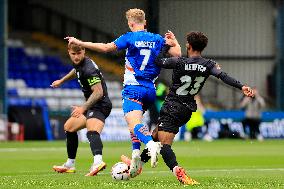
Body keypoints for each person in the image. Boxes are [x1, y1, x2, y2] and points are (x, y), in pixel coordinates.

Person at [122, 31, 254, 185]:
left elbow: (158, 61)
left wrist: (165, 46)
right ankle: (137, 165)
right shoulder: (208, 64)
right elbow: (223, 76)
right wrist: (241, 86)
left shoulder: (179, 62)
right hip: (187, 109)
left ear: (189, 46)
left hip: (172, 106)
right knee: (155, 135)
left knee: (164, 145)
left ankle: (177, 170)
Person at [64, 8, 181, 177]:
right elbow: (177, 54)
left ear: (130, 23)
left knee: (134, 123)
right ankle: (135, 155)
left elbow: (105, 48)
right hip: (150, 90)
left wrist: (80, 43)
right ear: (145, 23)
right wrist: (175, 41)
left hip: (133, 88)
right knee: (134, 122)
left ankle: (150, 144)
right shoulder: (157, 39)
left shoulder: (129, 37)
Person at [51, 43, 112, 176]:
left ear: (84, 50)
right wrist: (61, 81)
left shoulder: (89, 69)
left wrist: (82, 108)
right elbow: (76, 71)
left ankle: (98, 162)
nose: (76, 57)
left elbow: (98, 92)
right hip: (91, 105)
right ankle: (70, 164)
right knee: (69, 127)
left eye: (79, 54)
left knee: (92, 131)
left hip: (101, 104)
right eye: (73, 54)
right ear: (69, 52)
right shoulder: (79, 63)